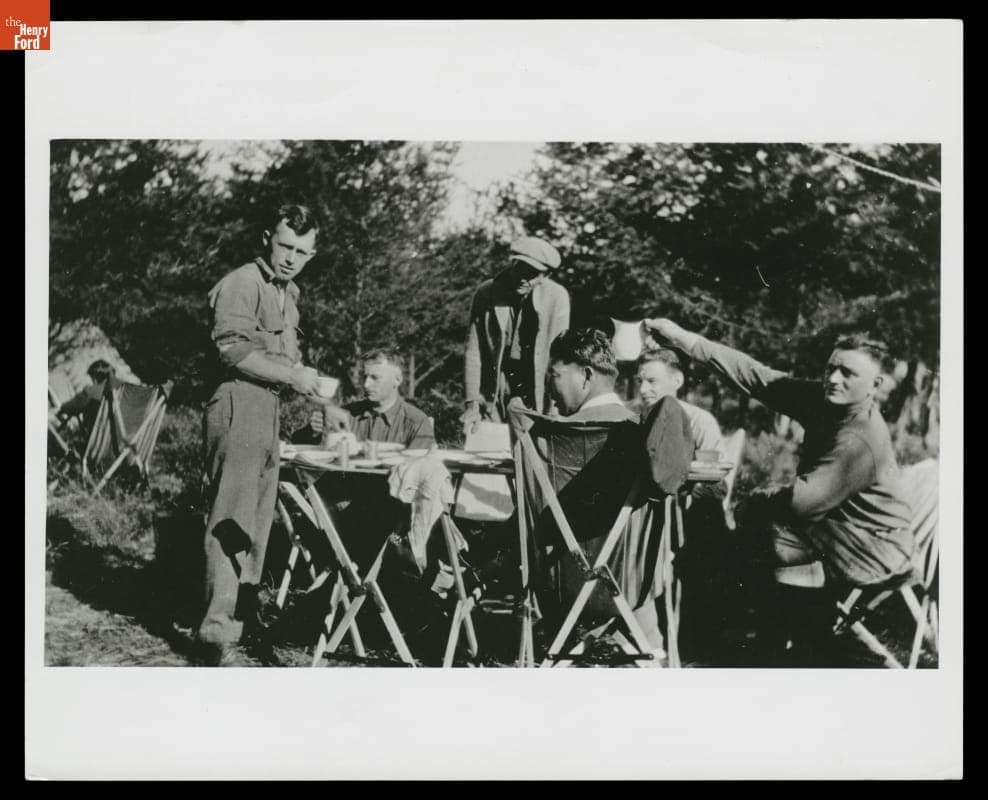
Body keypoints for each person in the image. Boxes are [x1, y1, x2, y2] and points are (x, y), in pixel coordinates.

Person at [645, 319, 914, 659]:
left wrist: (757, 500)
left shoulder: (859, 438)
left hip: (873, 547)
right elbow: (758, 377)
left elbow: (802, 504)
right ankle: (746, 637)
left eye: (847, 373)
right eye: (830, 368)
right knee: (743, 543)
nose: (833, 379)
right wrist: (686, 340)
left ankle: (763, 645)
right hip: (834, 528)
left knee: (755, 541)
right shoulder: (827, 401)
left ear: (875, 385)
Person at [197, 203, 326, 666]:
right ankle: (215, 637)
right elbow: (231, 350)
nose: (292, 257)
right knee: (231, 518)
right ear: (267, 239)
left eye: (302, 252)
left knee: (256, 522)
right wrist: (293, 378)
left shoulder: (287, 293)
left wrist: (300, 377)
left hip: (267, 408)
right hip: (237, 403)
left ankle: (241, 624)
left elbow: (278, 356)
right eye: (285, 246)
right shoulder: (242, 283)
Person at [517, 328, 693, 659]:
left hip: (559, 587)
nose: (549, 390)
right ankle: (653, 655)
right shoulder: (642, 434)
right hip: (629, 585)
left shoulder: (542, 440)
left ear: (585, 375)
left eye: (553, 376)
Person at [462, 235, 570, 434]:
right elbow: (473, 352)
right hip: (497, 385)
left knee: (533, 452)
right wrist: (471, 404)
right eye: (521, 270)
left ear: (545, 276)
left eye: (533, 274)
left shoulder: (557, 298)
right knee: (489, 448)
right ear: (513, 264)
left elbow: (559, 359)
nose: (524, 279)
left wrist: (555, 408)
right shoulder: (486, 293)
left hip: (536, 386)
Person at [297, 348, 435, 450]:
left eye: (375, 378)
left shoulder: (416, 422)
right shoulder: (347, 414)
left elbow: (421, 471)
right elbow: (299, 446)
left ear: (397, 380)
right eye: (365, 377)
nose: (366, 384)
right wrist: (314, 432)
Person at [52, 359, 122, 438]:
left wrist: (62, 409)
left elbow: (70, 406)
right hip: (122, 439)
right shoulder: (125, 389)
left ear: (96, 376)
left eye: (92, 377)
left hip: (98, 439)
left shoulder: (91, 391)